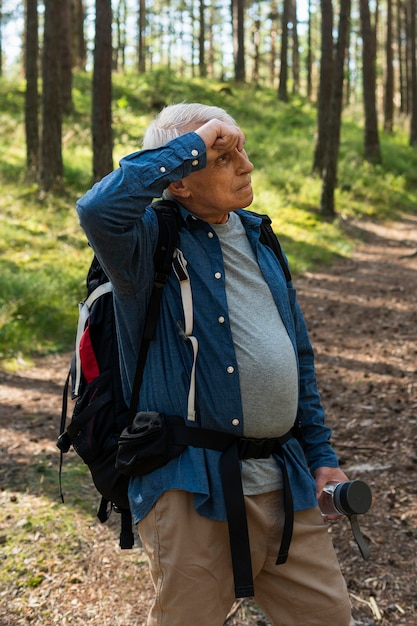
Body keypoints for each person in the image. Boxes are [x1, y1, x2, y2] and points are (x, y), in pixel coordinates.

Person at [77, 103, 354, 626]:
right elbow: (97, 209)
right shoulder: (145, 243)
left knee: (328, 616)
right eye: (224, 156)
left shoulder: (260, 235)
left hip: (285, 479)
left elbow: (297, 357)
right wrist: (192, 144)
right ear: (179, 179)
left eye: (241, 151)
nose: (245, 165)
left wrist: (322, 455)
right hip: (189, 485)